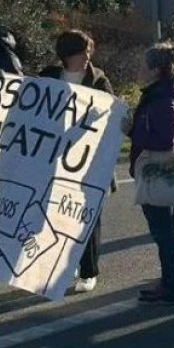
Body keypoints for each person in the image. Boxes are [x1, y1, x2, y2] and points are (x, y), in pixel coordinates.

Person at [39, 30, 114, 293]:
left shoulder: (98, 80)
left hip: (88, 162)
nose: (88, 57)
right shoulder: (48, 77)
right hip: (56, 159)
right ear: (68, 54)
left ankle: (88, 271)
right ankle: (63, 263)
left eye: (90, 51)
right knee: (57, 214)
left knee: (87, 218)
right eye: (83, 52)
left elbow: (109, 117)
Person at [128, 42, 174, 305]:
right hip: (156, 174)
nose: (139, 70)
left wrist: (132, 131)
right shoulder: (159, 95)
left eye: (143, 66)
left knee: (165, 233)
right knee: (164, 231)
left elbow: (165, 140)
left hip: (158, 174)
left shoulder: (163, 100)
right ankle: (168, 282)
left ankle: (170, 286)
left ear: (156, 70)